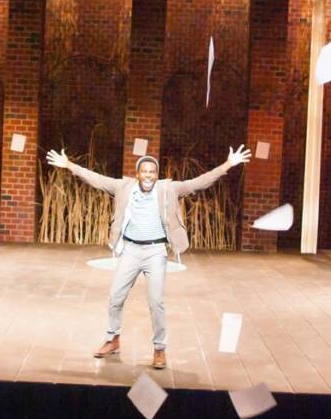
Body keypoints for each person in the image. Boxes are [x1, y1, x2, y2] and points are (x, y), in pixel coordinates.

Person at [45, 144, 251, 370]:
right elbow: (95, 178)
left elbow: (200, 182)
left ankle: (159, 349)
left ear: (157, 174)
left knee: (156, 302)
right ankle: (113, 340)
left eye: (152, 172)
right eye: (145, 172)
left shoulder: (168, 189)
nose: (149, 176)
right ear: (138, 173)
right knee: (115, 297)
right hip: (131, 251)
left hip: (155, 252)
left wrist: (228, 165)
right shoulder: (123, 186)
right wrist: (69, 165)